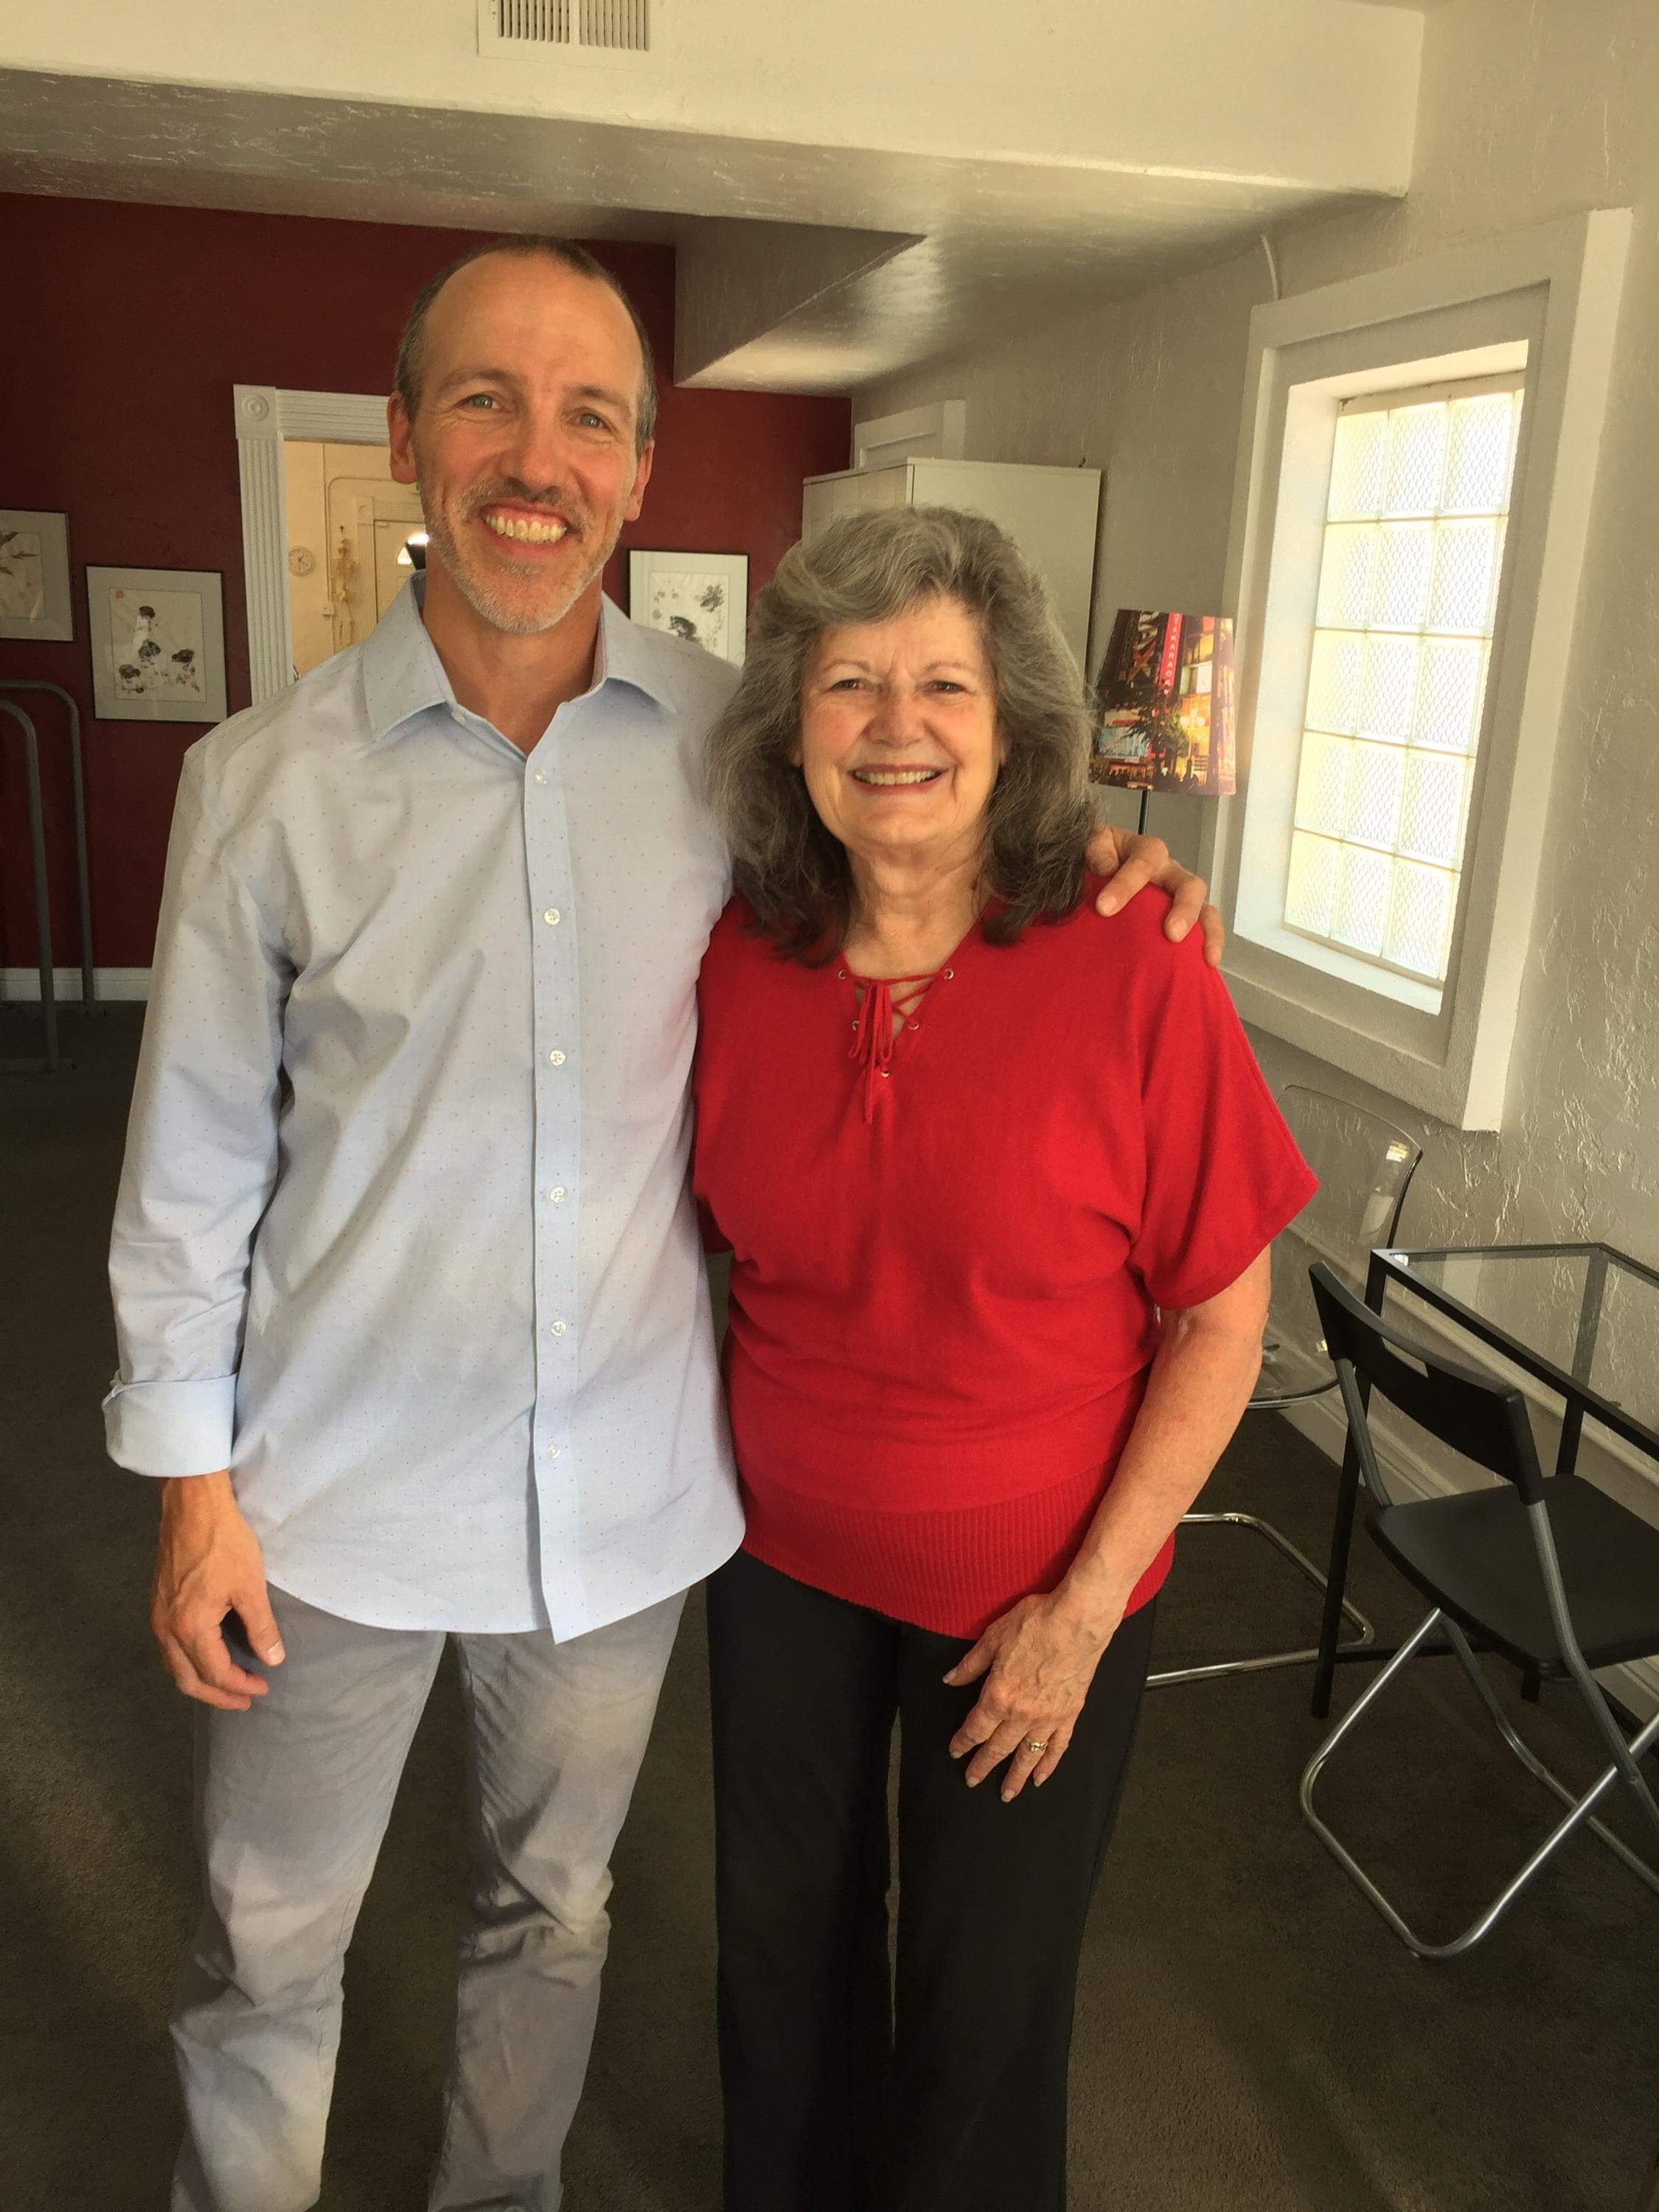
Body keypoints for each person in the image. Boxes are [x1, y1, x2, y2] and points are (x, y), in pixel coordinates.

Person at [105, 236, 1219, 2212]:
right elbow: (189, 1164)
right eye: (486, 401)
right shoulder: (261, 786)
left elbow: (925, 842)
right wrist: (193, 1492)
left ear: (639, 470)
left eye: (590, 418)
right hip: (328, 1495)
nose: (536, 458)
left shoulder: (734, 754)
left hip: (618, 1503)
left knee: (553, 1915)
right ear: (407, 435)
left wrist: (1096, 853)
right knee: (267, 1950)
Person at [692, 506, 1316, 2212]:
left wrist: (1083, 1612)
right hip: (776, 1558)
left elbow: (1222, 1319)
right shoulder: (733, 958)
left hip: (1037, 1589)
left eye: (944, 684)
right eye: (850, 682)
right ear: (792, 724)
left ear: (1014, 725)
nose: (896, 726)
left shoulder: (1138, 965)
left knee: (986, 2002)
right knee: (780, 1957)